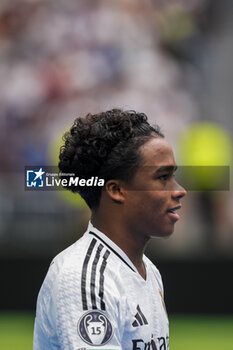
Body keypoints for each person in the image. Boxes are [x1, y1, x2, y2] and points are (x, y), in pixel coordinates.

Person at [33, 109, 186, 350]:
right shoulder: (84, 277)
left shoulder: (148, 271)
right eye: (162, 177)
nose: (179, 190)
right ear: (116, 190)